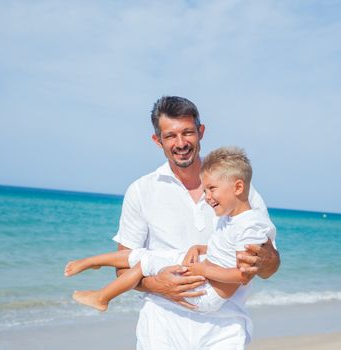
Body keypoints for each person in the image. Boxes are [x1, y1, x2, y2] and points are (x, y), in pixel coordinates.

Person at [86, 96, 280, 349]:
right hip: (161, 325)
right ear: (158, 141)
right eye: (170, 136)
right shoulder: (141, 190)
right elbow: (124, 266)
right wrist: (159, 286)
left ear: (201, 132)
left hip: (225, 327)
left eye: (188, 132)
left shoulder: (240, 190)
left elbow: (270, 266)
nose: (181, 143)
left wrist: (266, 260)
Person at [64, 147, 276, 330]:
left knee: (144, 263)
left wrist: (203, 269)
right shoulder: (230, 217)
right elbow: (225, 248)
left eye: (211, 189)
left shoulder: (250, 226)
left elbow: (242, 275)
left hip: (206, 296)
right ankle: (94, 262)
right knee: (146, 256)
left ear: (238, 187)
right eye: (205, 190)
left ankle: (102, 297)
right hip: (205, 274)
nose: (207, 196)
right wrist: (200, 248)